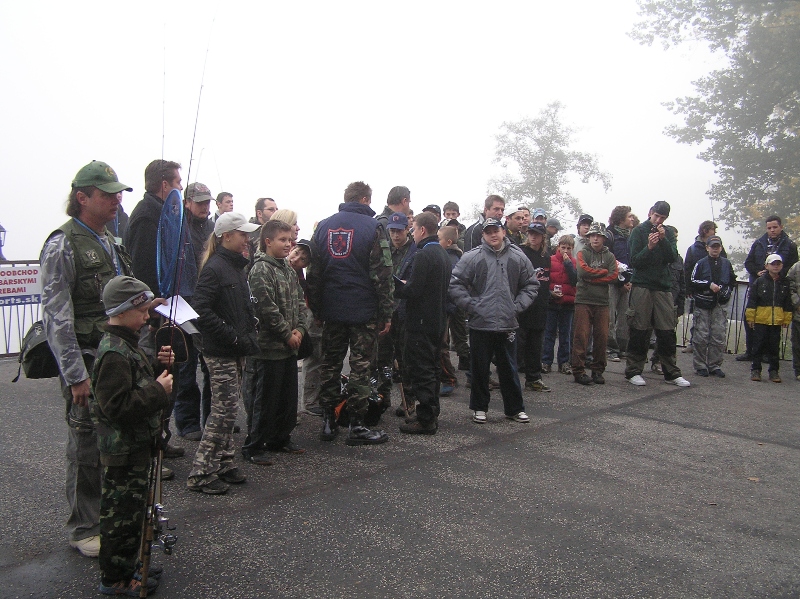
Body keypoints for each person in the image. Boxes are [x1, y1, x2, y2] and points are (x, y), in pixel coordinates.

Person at [40, 161, 135, 559]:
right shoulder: (62, 245)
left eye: (118, 193)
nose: (116, 200)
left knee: (117, 440)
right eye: (107, 194)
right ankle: (85, 527)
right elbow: (57, 317)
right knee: (85, 445)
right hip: (87, 359)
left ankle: (112, 518)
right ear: (82, 197)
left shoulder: (110, 241)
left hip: (117, 357)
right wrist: (75, 375)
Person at [90, 276, 173, 596]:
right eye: (141, 311)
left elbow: (134, 379)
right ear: (122, 312)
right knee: (121, 517)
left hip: (135, 446)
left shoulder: (126, 344)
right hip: (123, 450)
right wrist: (158, 390)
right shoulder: (113, 352)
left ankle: (128, 565)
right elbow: (117, 407)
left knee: (135, 512)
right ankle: (116, 578)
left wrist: (156, 365)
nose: (147, 317)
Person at [306, 181, 392, 445]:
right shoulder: (374, 227)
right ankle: (357, 424)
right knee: (360, 367)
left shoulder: (323, 227)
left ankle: (328, 421)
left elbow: (314, 273)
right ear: (365, 199)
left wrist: (316, 308)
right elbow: (382, 274)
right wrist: (386, 312)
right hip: (363, 311)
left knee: (330, 365)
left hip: (332, 309)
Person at [187, 213, 260, 494]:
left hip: (236, 348)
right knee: (223, 411)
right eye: (242, 234)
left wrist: (246, 334)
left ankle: (224, 462)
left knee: (229, 409)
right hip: (221, 350)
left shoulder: (235, 266)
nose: (247, 239)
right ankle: (201, 471)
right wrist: (231, 335)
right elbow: (201, 310)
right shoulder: (215, 268)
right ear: (226, 236)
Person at [124, 159, 186, 458]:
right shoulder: (147, 217)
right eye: (177, 182)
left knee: (168, 370)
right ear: (164, 185)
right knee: (154, 375)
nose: (180, 188)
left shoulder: (162, 213)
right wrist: (149, 310)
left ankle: (160, 438)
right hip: (152, 312)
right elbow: (143, 266)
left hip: (165, 307)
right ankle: (151, 446)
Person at [449, 217, 538, 424]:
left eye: (495, 230)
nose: (493, 235)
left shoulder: (518, 256)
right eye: (488, 232)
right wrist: (472, 306)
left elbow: (531, 284)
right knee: (479, 369)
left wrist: (517, 306)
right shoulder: (472, 257)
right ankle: (479, 408)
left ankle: (515, 409)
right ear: (483, 235)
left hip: (508, 323)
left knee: (509, 368)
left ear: (503, 232)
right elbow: (455, 284)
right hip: (480, 324)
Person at [244, 219, 309, 462]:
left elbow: (300, 302)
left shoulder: (288, 269)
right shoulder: (261, 270)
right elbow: (266, 308)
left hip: (289, 348)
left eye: (290, 240)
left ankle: (280, 437)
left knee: (287, 399)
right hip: (269, 349)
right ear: (268, 241)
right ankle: (254, 445)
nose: (288, 244)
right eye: (282, 240)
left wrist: (300, 329)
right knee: (265, 401)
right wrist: (286, 334)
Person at [394, 212, 451, 434]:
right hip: (437, 319)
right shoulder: (443, 254)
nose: (412, 233)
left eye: (414, 229)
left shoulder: (423, 255)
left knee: (421, 369)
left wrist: (396, 286)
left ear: (422, 230)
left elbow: (414, 290)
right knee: (433, 367)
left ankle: (426, 419)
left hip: (420, 321)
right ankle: (430, 412)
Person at [625, 201, 690, 387]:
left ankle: (671, 372)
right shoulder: (638, 231)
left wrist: (663, 240)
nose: (658, 220)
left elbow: (672, 257)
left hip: (663, 286)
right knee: (640, 329)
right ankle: (633, 370)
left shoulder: (668, 233)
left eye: (662, 218)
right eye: (656, 216)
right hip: (642, 285)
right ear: (650, 213)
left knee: (667, 330)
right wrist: (649, 247)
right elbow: (634, 261)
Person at [739, 216, 798, 361]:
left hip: (778, 286)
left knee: (772, 322)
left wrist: (778, 273)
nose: (772, 230)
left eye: (775, 227)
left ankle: (768, 355)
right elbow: (748, 262)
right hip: (759, 285)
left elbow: (793, 268)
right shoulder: (759, 243)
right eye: (769, 228)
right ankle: (751, 351)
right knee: (751, 318)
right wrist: (757, 272)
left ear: (781, 227)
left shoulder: (790, 245)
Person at [572, 222, 618, 385]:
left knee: (602, 337)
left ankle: (598, 370)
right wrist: (603, 272)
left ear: (604, 238)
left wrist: (593, 278)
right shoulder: (582, 253)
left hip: (602, 302)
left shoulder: (610, 256)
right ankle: (578, 370)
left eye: (598, 236)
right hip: (583, 300)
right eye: (592, 235)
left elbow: (614, 275)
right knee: (581, 336)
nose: (595, 238)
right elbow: (582, 271)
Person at [689, 235, 735, 378]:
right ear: (707, 248)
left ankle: (715, 365)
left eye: (717, 246)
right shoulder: (701, 263)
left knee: (718, 335)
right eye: (712, 246)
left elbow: (732, 281)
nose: (715, 249)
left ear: (721, 248)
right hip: (703, 304)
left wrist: (726, 292)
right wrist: (708, 285)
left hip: (720, 304)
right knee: (701, 336)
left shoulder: (726, 263)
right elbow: (693, 280)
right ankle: (700, 365)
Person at [747, 254, 793, 382]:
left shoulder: (785, 282)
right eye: (773, 264)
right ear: (766, 266)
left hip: (776, 320)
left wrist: (787, 318)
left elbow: (788, 303)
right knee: (758, 345)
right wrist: (750, 317)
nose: (775, 266)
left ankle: (774, 371)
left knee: (774, 347)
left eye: (778, 264)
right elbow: (752, 301)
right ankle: (756, 370)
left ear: (782, 266)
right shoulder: (759, 281)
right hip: (761, 319)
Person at [519, 222, 551, 392]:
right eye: (531, 233)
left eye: (537, 234)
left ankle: (533, 378)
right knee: (517, 345)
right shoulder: (521, 252)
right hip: (522, 306)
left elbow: (547, 280)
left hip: (540, 306)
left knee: (535, 345)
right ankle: (508, 379)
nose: (533, 236)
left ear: (543, 237)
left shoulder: (546, 256)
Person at [542, 234, 577, 375]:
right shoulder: (550, 260)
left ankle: (564, 362)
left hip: (567, 303)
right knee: (549, 333)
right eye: (563, 248)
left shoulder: (574, 262)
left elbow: (575, 280)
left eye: (569, 248)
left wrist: (568, 264)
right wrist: (550, 293)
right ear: (558, 247)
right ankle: (546, 361)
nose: (566, 251)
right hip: (552, 302)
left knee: (565, 335)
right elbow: (545, 281)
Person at [436, 224, 462, 396]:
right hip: (443, 306)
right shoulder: (446, 256)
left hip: (445, 307)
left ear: (449, 242)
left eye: (439, 239)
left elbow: (451, 287)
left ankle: (448, 378)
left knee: (441, 344)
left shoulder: (451, 259)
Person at [606, 205, 634, 362]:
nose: (632, 218)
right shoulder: (609, 235)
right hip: (612, 282)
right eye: (629, 216)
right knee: (610, 317)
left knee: (625, 317)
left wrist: (628, 281)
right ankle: (610, 348)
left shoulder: (630, 236)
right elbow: (608, 261)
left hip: (628, 283)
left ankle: (623, 347)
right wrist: (619, 282)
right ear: (621, 218)